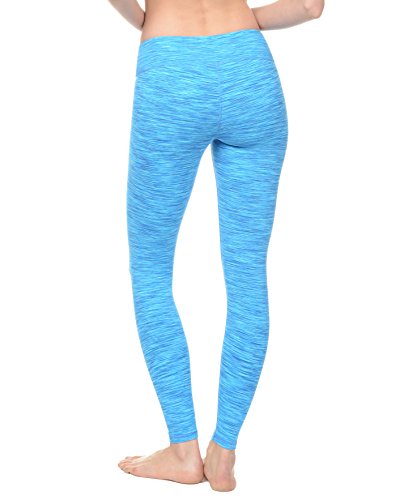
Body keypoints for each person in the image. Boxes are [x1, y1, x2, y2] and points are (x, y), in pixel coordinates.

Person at [108, 0, 324, 492]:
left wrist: (146, 19)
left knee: (151, 269)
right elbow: (310, 7)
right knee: (248, 276)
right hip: (250, 70)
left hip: (171, 72)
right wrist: (243, 23)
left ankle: (184, 451)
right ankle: (223, 454)